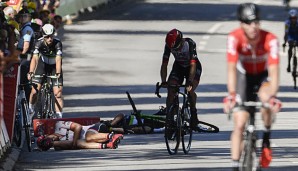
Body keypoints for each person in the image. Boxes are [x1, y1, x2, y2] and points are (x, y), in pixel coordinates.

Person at [223, 3, 282, 170]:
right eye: (249, 23)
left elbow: (274, 71)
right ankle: (235, 165)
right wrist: (232, 94)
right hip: (243, 77)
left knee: (265, 100)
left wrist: (273, 97)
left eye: (256, 22)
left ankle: (266, 136)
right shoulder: (234, 38)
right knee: (240, 121)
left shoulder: (270, 39)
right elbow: (231, 69)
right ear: (241, 24)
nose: (254, 26)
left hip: (262, 77)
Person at [160, 28, 202, 129]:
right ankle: (169, 118)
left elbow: (193, 65)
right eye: (174, 49)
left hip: (192, 67)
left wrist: (190, 81)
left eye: (177, 48)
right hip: (179, 66)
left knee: (190, 90)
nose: (176, 51)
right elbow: (164, 64)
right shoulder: (169, 45)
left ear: (181, 41)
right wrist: (164, 81)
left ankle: (193, 114)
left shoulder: (190, 44)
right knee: (171, 90)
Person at [27, 23, 63, 119]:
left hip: (54, 67)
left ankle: (59, 117)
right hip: (42, 66)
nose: (49, 39)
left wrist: (58, 72)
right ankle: (30, 109)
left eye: (51, 36)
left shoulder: (57, 43)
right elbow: (34, 59)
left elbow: (58, 59)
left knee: (58, 94)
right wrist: (31, 72)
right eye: (47, 37)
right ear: (43, 37)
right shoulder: (38, 43)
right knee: (34, 91)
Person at [36, 120, 124, 151]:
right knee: (80, 142)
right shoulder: (58, 146)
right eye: (51, 142)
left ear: (47, 134)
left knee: (87, 137)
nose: (53, 139)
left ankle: (112, 136)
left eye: (49, 138)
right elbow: (75, 145)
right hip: (90, 141)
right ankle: (108, 145)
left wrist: (74, 141)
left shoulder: (58, 125)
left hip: (95, 128)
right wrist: (54, 144)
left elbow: (77, 126)